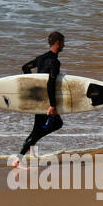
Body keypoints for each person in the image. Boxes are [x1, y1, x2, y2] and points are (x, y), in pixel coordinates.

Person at [12, 31, 65, 165]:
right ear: (58, 43)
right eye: (63, 42)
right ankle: (19, 158)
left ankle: (28, 154)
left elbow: (25, 67)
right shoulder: (54, 62)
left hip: (38, 98)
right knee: (57, 123)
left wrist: (33, 84)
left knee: (37, 129)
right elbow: (51, 82)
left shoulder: (41, 58)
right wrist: (52, 105)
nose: (64, 45)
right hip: (46, 100)